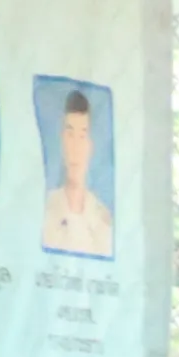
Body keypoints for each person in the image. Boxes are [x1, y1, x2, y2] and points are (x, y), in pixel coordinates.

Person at [37, 81, 108, 257]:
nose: (75, 147)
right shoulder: (44, 212)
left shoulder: (104, 223)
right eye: (70, 135)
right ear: (62, 141)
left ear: (90, 146)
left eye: (82, 136)